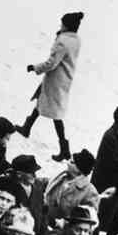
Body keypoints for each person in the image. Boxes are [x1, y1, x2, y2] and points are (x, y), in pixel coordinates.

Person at [18, 12, 83, 161]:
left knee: (56, 114)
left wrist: (35, 68)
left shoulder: (62, 41)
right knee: (41, 100)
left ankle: (64, 149)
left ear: (67, 25)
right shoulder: (76, 40)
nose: (60, 26)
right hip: (65, 78)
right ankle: (26, 127)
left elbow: (51, 63)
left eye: (62, 24)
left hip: (55, 80)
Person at [43, 149, 99, 228]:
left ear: (79, 169)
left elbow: (87, 219)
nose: (68, 163)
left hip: (64, 231)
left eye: (72, 162)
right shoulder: (62, 177)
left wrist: (62, 223)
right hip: (45, 221)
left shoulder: (90, 192)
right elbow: (46, 183)